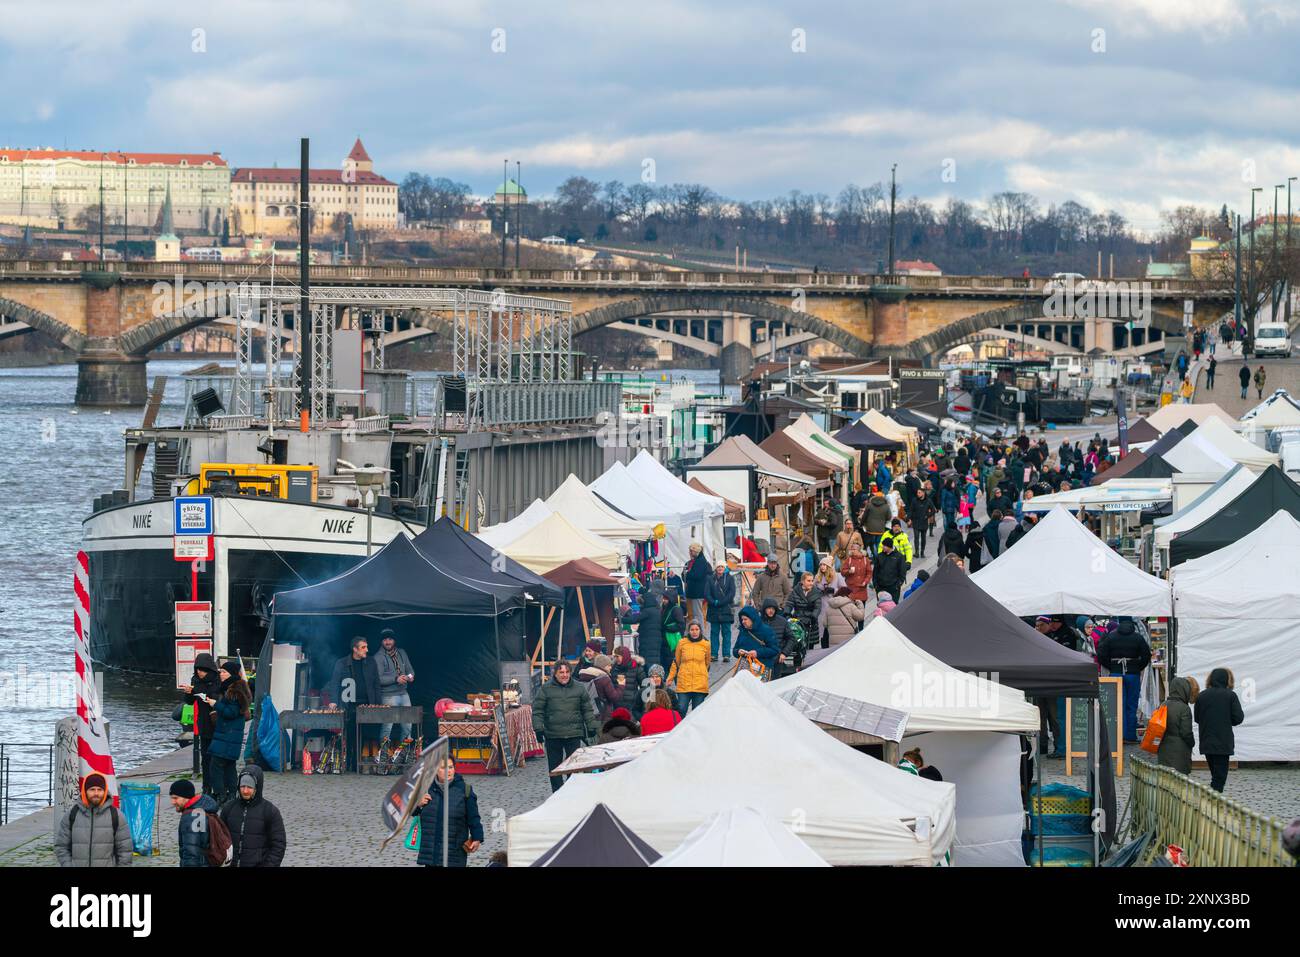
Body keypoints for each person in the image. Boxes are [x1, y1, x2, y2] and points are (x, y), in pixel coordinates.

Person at [533, 660, 598, 791]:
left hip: (573, 734)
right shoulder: (546, 689)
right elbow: (538, 710)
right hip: (553, 734)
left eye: (567, 672)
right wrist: (538, 729)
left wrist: (591, 726)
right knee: (554, 768)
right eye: (561, 672)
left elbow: (587, 709)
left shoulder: (579, 688)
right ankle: (557, 794)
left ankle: (570, 792)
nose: (564, 675)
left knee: (573, 768)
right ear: (555, 674)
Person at [55, 772, 134, 867]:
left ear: (105, 792)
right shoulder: (72, 814)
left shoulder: (116, 815)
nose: (96, 793)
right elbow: (61, 846)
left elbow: (125, 851)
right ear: (85, 791)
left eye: (100, 789)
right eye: (92, 789)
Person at [416, 757, 483, 867]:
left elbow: (474, 817)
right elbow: (410, 812)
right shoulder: (426, 788)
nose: (448, 771)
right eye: (443, 768)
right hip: (432, 850)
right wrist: (417, 804)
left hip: (454, 851)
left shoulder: (465, 790)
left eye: (451, 767)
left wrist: (477, 838)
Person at [1096, 617, 1152, 743]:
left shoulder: (1111, 637)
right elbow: (1146, 655)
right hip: (1133, 674)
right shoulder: (1138, 637)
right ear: (1132, 623)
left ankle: (1118, 735)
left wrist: (1112, 667)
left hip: (1116, 673)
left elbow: (1101, 654)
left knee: (1117, 705)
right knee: (1131, 706)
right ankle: (1130, 736)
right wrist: (1137, 667)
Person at [220, 764, 286, 867]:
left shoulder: (270, 811)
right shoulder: (228, 809)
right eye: (242, 786)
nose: (245, 791)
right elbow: (219, 839)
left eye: (249, 787)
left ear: (257, 788)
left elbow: (278, 845)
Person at [206, 659, 252, 802]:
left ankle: (221, 794)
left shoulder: (234, 691)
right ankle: (232, 794)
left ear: (231, 673)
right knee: (229, 766)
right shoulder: (234, 688)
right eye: (220, 671)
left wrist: (216, 705)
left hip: (228, 735)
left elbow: (231, 712)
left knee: (216, 766)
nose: (221, 674)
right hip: (230, 735)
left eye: (224, 672)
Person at [1195, 668, 1245, 794]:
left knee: (1215, 775)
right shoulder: (1230, 696)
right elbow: (1238, 718)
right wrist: (1226, 721)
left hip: (1206, 740)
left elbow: (1197, 718)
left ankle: (1212, 800)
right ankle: (1212, 802)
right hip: (1223, 742)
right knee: (1219, 778)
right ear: (1227, 680)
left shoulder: (1202, 696)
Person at [180, 651, 222, 796]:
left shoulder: (217, 680)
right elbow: (190, 701)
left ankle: (218, 788)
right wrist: (189, 692)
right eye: (197, 669)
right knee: (205, 758)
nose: (199, 672)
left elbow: (217, 697)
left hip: (216, 724)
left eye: (202, 669)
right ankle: (206, 787)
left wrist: (199, 691)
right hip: (203, 724)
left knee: (216, 759)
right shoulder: (195, 680)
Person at [374, 629, 415, 745]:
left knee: (408, 725)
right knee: (388, 726)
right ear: (382, 642)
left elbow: (410, 670)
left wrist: (410, 676)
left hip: (404, 694)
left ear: (394, 640)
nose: (388, 642)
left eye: (390, 639)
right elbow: (378, 679)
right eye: (385, 639)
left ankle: (404, 754)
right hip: (388, 695)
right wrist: (395, 679)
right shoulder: (379, 657)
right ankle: (383, 755)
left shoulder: (402, 652)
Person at [169, 779, 220, 868]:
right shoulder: (201, 809)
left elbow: (191, 852)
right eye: (171, 798)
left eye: (175, 798)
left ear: (186, 797)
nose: (172, 802)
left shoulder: (190, 817)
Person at [1156, 676, 1199, 776]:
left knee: (1166, 778)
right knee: (1180, 779)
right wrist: (1192, 743)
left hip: (1163, 749)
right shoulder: (1184, 708)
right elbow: (1186, 732)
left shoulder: (1162, 705)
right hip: (1180, 751)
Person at [667, 619, 711, 713]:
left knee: (697, 713)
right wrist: (670, 677)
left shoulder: (706, 644)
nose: (694, 632)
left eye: (696, 629)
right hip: (684, 683)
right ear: (688, 631)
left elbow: (707, 663)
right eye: (692, 630)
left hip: (700, 684)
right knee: (681, 709)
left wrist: (702, 673)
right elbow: (676, 662)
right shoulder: (682, 643)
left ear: (700, 630)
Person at [732, 605, 781, 676]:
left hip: (762, 669)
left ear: (752, 618)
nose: (743, 622)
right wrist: (738, 652)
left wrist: (757, 653)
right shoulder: (743, 631)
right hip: (745, 670)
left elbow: (775, 650)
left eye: (745, 619)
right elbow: (735, 650)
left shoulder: (766, 630)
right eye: (742, 619)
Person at [761, 597, 801, 678]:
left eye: (773, 608)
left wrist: (784, 653)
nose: (771, 610)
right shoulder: (759, 621)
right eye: (769, 608)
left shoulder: (782, 621)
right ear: (764, 609)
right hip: (761, 658)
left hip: (777, 659)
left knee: (775, 682)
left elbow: (791, 638)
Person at [705, 561, 736, 663]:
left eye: (722, 566)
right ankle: (714, 654)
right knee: (714, 633)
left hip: (726, 609)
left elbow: (732, 593)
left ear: (724, 567)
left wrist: (721, 602)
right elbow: (707, 593)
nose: (720, 568)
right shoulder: (710, 579)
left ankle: (726, 654)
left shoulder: (730, 579)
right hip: (714, 609)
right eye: (718, 566)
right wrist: (713, 602)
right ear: (716, 568)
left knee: (726, 633)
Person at [576, 653, 621, 722]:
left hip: (587, 711)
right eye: (609, 665)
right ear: (603, 666)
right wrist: (621, 686)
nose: (610, 668)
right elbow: (614, 697)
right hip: (602, 714)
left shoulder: (584, 675)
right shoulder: (604, 678)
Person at [783, 571, 821, 654]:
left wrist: (814, 616)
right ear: (802, 581)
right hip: (798, 621)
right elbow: (789, 603)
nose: (811, 583)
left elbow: (817, 607)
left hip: (810, 621)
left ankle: (809, 664)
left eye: (812, 580)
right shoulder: (795, 591)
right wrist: (787, 613)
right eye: (808, 581)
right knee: (797, 645)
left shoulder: (816, 592)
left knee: (810, 647)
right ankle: (797, 664)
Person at [813, 558, 846, 648]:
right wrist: (819, 592)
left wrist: (833, 590)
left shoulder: (837, 576)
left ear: (828, 566)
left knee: (833, 632)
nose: (822, 567)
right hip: (822, 608)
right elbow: (812, 590)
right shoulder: (817, 577)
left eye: (824, 565)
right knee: (823, 633)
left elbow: (845, 591)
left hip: (834, 607)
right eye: (820, 565)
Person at [610, 645, 647, 717]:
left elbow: (645, 687)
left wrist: (642, 705)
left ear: (625, 656)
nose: (616, 659)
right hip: (617, 706)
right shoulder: (613, 668)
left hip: (632, 706)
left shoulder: (636, 667)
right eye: (615, 656)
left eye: (618, 656)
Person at [681, 543, 711, 626]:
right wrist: (686, 575)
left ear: (696, 551)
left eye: (691, 551)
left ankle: (700, 632)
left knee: (698, 614)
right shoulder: (690, 563)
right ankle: (693, 631)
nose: (690, 553)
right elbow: (684, 575)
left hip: (698, 593)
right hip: (691, 593)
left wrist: (688, 574)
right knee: (692, 615)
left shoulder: (701, 562)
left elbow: (697, 575)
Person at [871, 537, 907, 607]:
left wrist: (898, 584)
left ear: (889, 546)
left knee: (893, 608)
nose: (883, 547)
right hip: (880, 588)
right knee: (881, 607)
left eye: (885, 546)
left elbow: (902, 572)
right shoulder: (879, 556)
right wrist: (875, 585)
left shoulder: (899, 556)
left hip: (893, 588)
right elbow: (875, 572)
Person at [858, 488, 892, 556]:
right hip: (880, 529)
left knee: (871, 543)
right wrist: (883, 520)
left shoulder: (869, 505)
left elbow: (864, 516)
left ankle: (874, 555)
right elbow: (889, 517)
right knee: (878, 543)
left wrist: (861, 524)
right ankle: (878, 556)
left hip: (870, 529)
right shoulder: (886, 506)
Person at [907, 487, 932, 557]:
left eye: (919, 492)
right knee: (916, 537)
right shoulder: (914, 500)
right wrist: (908, 519)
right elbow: (911, 510)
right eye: (917, 493)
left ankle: (922, 552)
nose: (918, 494)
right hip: (916, 521)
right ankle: (917, 552)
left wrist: (927, 516)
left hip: (924, 522)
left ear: (923, 493)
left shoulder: (928, 501)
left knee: (923, 538)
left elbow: (933, 510)